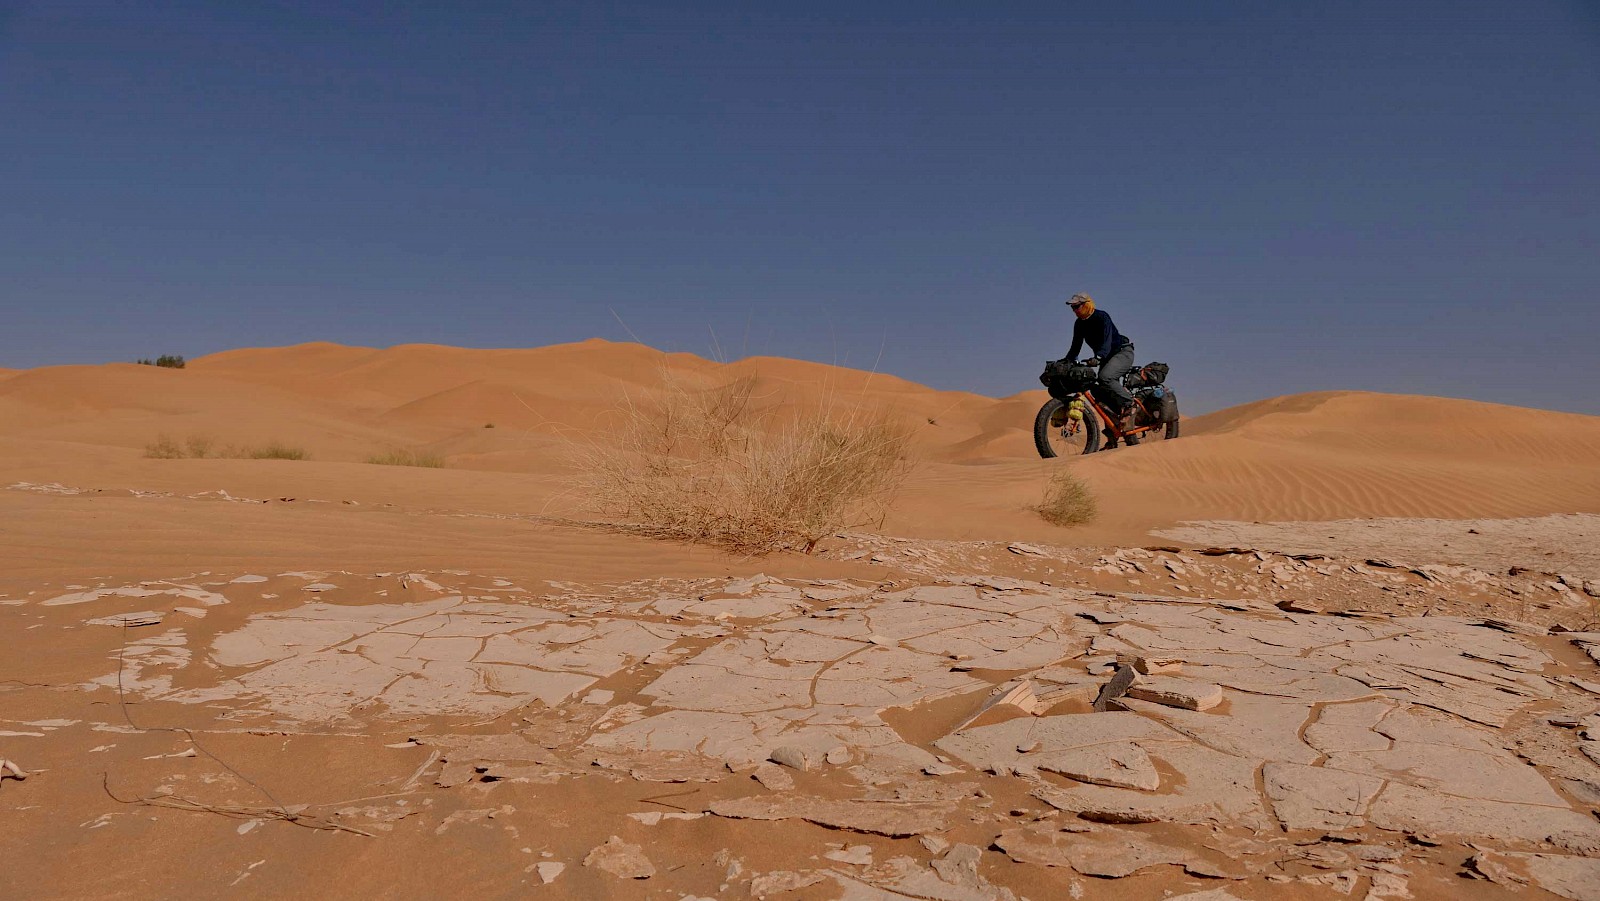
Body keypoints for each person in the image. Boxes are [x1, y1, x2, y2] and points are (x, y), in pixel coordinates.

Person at [1062, 293, 1136, 432]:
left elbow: (1107, 341)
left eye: (1077, 306)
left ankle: (1129, 403)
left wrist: (1099, 357)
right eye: (1072, 308)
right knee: (1099, 391)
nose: (1074, 310)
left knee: (1105, 377)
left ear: (1087, 304)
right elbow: (1075, 346)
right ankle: (1113, 432)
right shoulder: (1079, 324)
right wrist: (1066, 361)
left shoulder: (1102, 317)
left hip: (1121, 352)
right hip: (1106, 358)